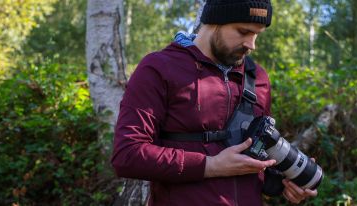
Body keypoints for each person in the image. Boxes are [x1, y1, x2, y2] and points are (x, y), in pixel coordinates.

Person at [111, 0, 318, 205]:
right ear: (214, 22)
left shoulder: (257, 77)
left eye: (256, 34)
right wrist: (211, 165)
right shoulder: (159, 68)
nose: (251, 44)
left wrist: (284, 182)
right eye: (243, 31)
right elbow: (128, 155)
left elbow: (256, 155)